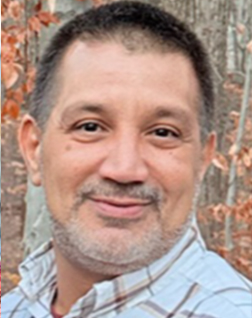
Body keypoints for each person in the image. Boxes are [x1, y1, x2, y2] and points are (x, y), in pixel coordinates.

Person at [2, 1, 252, 318]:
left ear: (202, 160)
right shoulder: (14, 308)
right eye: (89, 127)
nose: (124, 169)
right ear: (34, 149)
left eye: (163, 133)